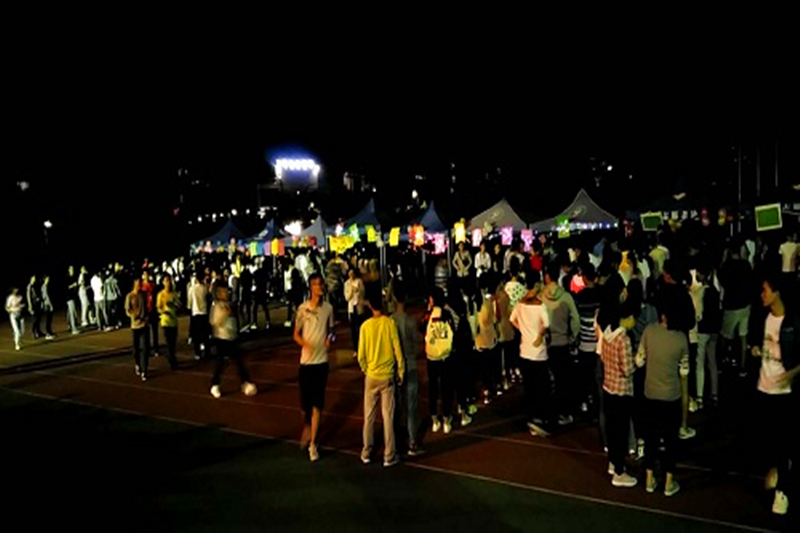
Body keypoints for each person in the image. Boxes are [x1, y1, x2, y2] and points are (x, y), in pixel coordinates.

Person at [748, 274, 799, 516]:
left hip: (784, 391)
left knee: (782, 440)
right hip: (764, 386)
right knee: (767, 437)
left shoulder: (792, 322)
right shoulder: (762, 317)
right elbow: (754, 341)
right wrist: (755, 349)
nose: (762, 295)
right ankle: (777, 469)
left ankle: (783, 491)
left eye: (765, 290)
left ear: (777, 293)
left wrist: (793, 373)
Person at [636, 297, 691, 497]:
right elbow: (684, 372)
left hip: (650, 393)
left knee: (651, 438)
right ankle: (668, 482)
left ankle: (649, 479)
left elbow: (639, 361)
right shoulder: (681, 338)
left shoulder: (649, 331)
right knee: (670, 441)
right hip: (671, 396)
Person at [358, 291, 404, 467]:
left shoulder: (365, 327)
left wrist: (366, 369)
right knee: (388, 416)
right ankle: (389, 454)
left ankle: (366, 451)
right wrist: (401, 371)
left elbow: (361, 355)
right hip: (387, 376)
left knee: (369, 416)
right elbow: (397, 349)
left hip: (371, 375)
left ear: (370, 306)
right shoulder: (389, 323)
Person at [293, 273, 335, 462]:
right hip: (306, 363)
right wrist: (305, 344)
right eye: (316, 284)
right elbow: (295, 334)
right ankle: (307, 425)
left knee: (317, 405)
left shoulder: (328, 309)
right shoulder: (302, 309)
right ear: (311, 287)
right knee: (305, 405)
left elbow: (332, 331)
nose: (320, 287)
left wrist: (329, 340)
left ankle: (313, 445)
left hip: (321, 363)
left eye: (321, 284)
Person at [510, 272, 553, 438]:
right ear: (536, 285)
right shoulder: (541, 306)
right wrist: (539, 334)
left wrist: (522, 330)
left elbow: (512, 319)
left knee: (529, 386)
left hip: (525, 350)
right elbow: (547, 324)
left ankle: (531, 417)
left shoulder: (520, 304)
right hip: (539, 352)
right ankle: (540, 419)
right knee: (541, 387)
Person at [541, 262, 581, 425]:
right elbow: (576, 320)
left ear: (546, 276)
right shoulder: (566, 297)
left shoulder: (541, 296)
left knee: (547, 381)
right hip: (562, 342)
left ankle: (548, 413)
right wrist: (572, 337)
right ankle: (563, 413)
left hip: (546, 344)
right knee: (562, 381)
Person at [391, 281, 424, 456]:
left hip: (395, 366)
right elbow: (418, 341)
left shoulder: (390, 321)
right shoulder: (411, 321)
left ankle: (396, 443)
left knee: (396, 406)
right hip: (410, 364)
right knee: (411, 406)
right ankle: (412, 442)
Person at [209, 285, 257, 400]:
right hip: (222, 338)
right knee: (221, 363)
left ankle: (245, 382)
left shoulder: (229, 305)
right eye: (224, 292)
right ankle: (215, 385)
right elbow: (214, 322)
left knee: (238, 361)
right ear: (219, 293)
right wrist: (224, 314)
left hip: (232, 337)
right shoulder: (216, 306)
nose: (227, 294)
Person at [424, 287, 456, 434]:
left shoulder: (428, 315)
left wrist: (428, 310)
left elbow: (421, 328)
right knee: (446, 388)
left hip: (432, 357)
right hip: (445, 356)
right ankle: (446, 419)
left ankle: (434, 419)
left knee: (433, 389)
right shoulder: (447, 313)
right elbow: (454, 328)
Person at [125, 278, 150, 382]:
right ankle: (137, 364)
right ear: (134, 283)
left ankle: (144, 370)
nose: (140, 285)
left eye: (141, 283)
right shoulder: (130, 296)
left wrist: (147, 315)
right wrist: (132, 315)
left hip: (144, 324)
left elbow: (147, 306)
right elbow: (127, 310)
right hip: (135, 325)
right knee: (136, 348)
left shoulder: (143, 294)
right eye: (138, 283)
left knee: (145, 348)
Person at [156, 274, 180, 370]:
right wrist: (163, 311)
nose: (168, 283)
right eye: (166, 281)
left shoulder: (174, 294)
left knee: (173, 342)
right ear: (163, 282)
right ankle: (172, 360)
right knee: (169, 342)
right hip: (165, 321)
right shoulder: (160, 295)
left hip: (173, 320)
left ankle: (171, 356)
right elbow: (158, 307)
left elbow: (179, 305)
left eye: (169, 280)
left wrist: (176, 305)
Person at [344, 269, 366, 357]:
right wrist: (351, 291)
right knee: (353, 330)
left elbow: (363, 293)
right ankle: (356, 348)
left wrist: (358, 290)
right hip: (352, 308)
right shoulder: (347, 284)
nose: (351, 275)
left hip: (359, 306)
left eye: (353, 273)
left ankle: (362, 347)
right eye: (350, 273)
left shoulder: (359, 281)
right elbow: (347, 297)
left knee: (361, 328)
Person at [188, 273, 210, 360]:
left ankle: (197, 353)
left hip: (195, 312)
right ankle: (207, 352)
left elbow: (189, 302)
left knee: (196, 335)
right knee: (205, 334)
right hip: (204, 312)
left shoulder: (191, 289)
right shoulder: (204, 288)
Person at [27, 275, 44, 340]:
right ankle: (33, 332)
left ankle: (38, 331)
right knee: (34, 319)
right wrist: (30, 305)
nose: (34, 280)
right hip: (33, 304)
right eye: (33, 278)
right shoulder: (29, 286)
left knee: (38, 318)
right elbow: (28, 296)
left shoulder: (35, 286)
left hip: (37, 304)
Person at [66, 266, 80, 334]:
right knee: (73, 313)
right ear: (69, 270)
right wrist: (73, 285)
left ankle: (69, 325)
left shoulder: (73, 277)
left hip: (73, 297)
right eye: (71, 269)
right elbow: (67, 287)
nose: (72, 270)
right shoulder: (67, 278)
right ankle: (74, 329)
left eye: (73, 269)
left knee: (69, 313)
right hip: (69, 298)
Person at [41, 275, 55, 340]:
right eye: (47, 279)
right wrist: (50, 305)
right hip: (47, 304)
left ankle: (50, 331)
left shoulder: (46, 286)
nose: (48, 280)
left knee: (49, 319)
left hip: (47, 304)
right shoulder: (44, 287)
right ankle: (48, 333)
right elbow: (46, 296)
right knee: (48, 319)